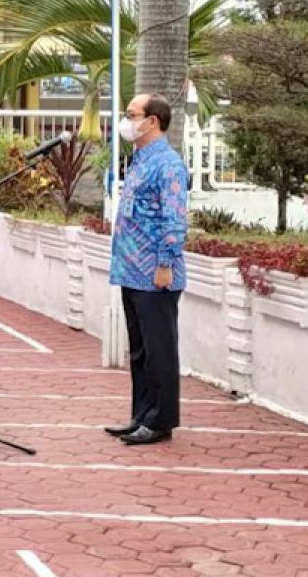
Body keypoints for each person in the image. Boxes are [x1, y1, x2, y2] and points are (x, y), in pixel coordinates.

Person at [106, 93, 189, 447]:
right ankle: (141, 415)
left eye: (132, 114)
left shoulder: (167, 164)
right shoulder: (139, 159)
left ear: (152, 121)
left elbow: (174, 218)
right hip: (130, 269)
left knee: (160, 350)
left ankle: (161, 420)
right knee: (139, 351)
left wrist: (165, 263)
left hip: (156, 272)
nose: (127, 121)